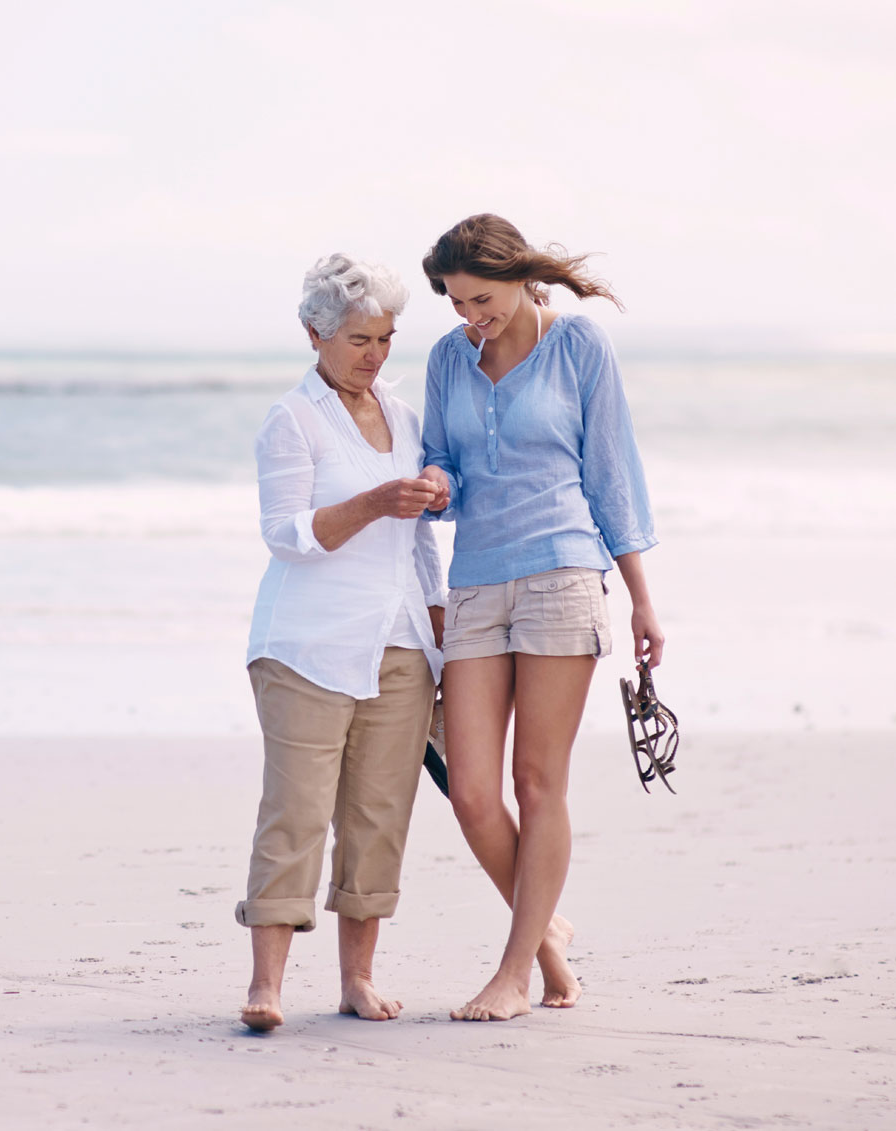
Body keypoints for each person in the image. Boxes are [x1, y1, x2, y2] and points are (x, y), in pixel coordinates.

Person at [417, 213, 663, 1021]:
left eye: (480, 299)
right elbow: (444, 457)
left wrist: (641, 598)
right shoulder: (448, 359)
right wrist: (436, 478)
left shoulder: (579, 346)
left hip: (563, 571)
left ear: (524, 278)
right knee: (473, 792)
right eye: (456, 303)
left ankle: (515, 973)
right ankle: (551, 949)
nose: (470, 318)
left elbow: (610, 471)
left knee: (538, 779)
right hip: (478, 582)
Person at [237, 253, 449, 1030]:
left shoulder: (403, 416)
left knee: (378, 815)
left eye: (387, 337)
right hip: (306, 647)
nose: (375, 354)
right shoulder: (291, 420)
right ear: (314, 332)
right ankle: (266, 984)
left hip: (399, 645)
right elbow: (286, 535)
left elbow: (422, 542)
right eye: (361, 337)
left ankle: (357, 978)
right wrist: (373, 502)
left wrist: (440, 635)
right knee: (294, 811)